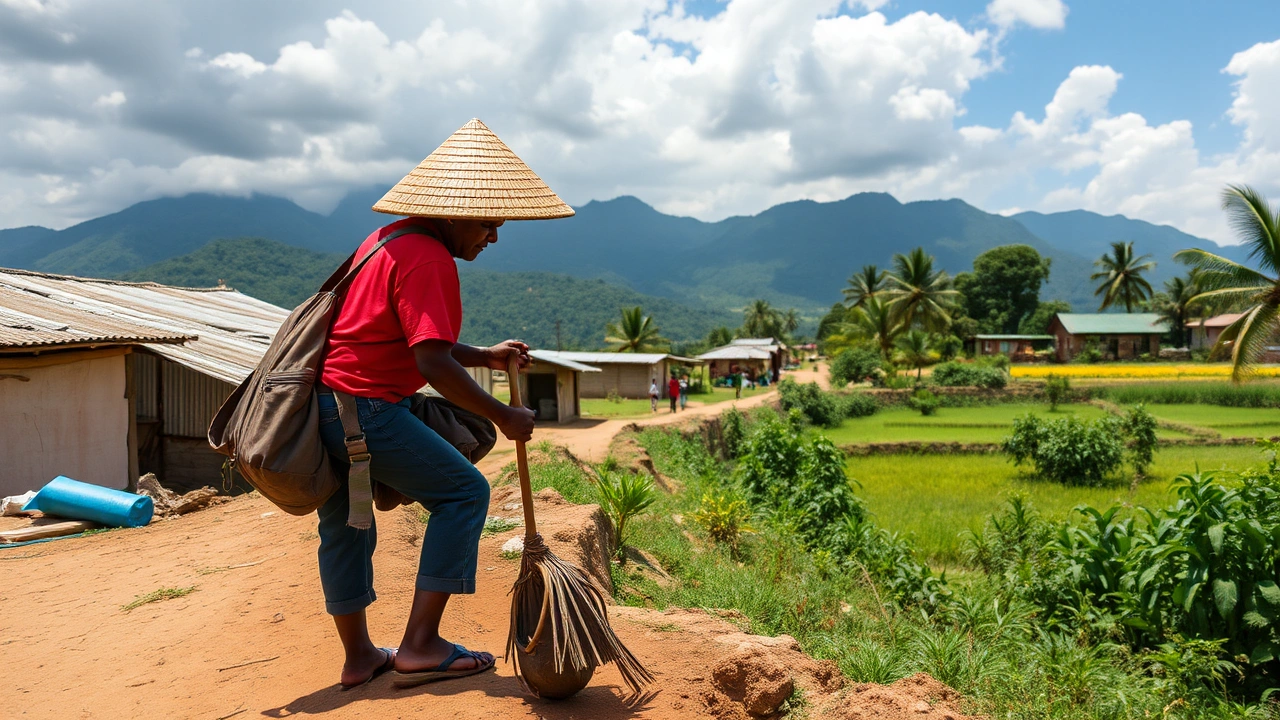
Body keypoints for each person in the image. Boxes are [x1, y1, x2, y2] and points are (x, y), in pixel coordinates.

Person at [314, 119, 573, 689]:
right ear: (455, 213)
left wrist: (481, 354)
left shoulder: (387, 241)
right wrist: (503, 416)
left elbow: (405, 337)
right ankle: (421, 645)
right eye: (488, 223)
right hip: (370, 410)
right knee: (464, 492)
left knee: (347, 524)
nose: (494, 237)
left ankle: (361, 657)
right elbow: (430, 362)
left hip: (330, 408)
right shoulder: (431, 258)